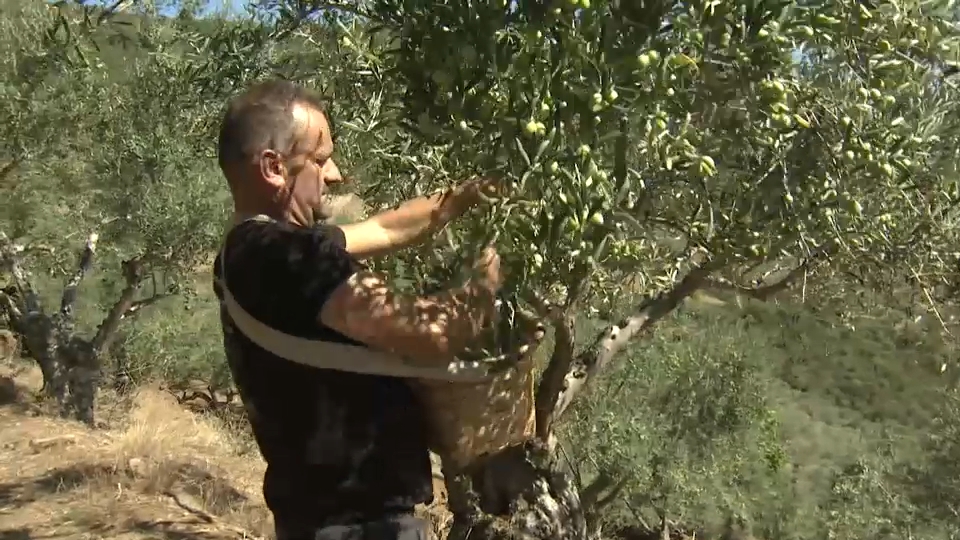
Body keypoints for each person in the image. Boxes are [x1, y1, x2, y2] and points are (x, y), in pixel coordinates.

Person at [212, 79, 506, 540]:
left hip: (324, 519)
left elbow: (387, 229)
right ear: (273, 167)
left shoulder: (254, 250)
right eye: (320, 159)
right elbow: (430, 334)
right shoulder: (285, 258)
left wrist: (466, 195)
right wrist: (488, 284)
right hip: (357, 525)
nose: (334, 175)